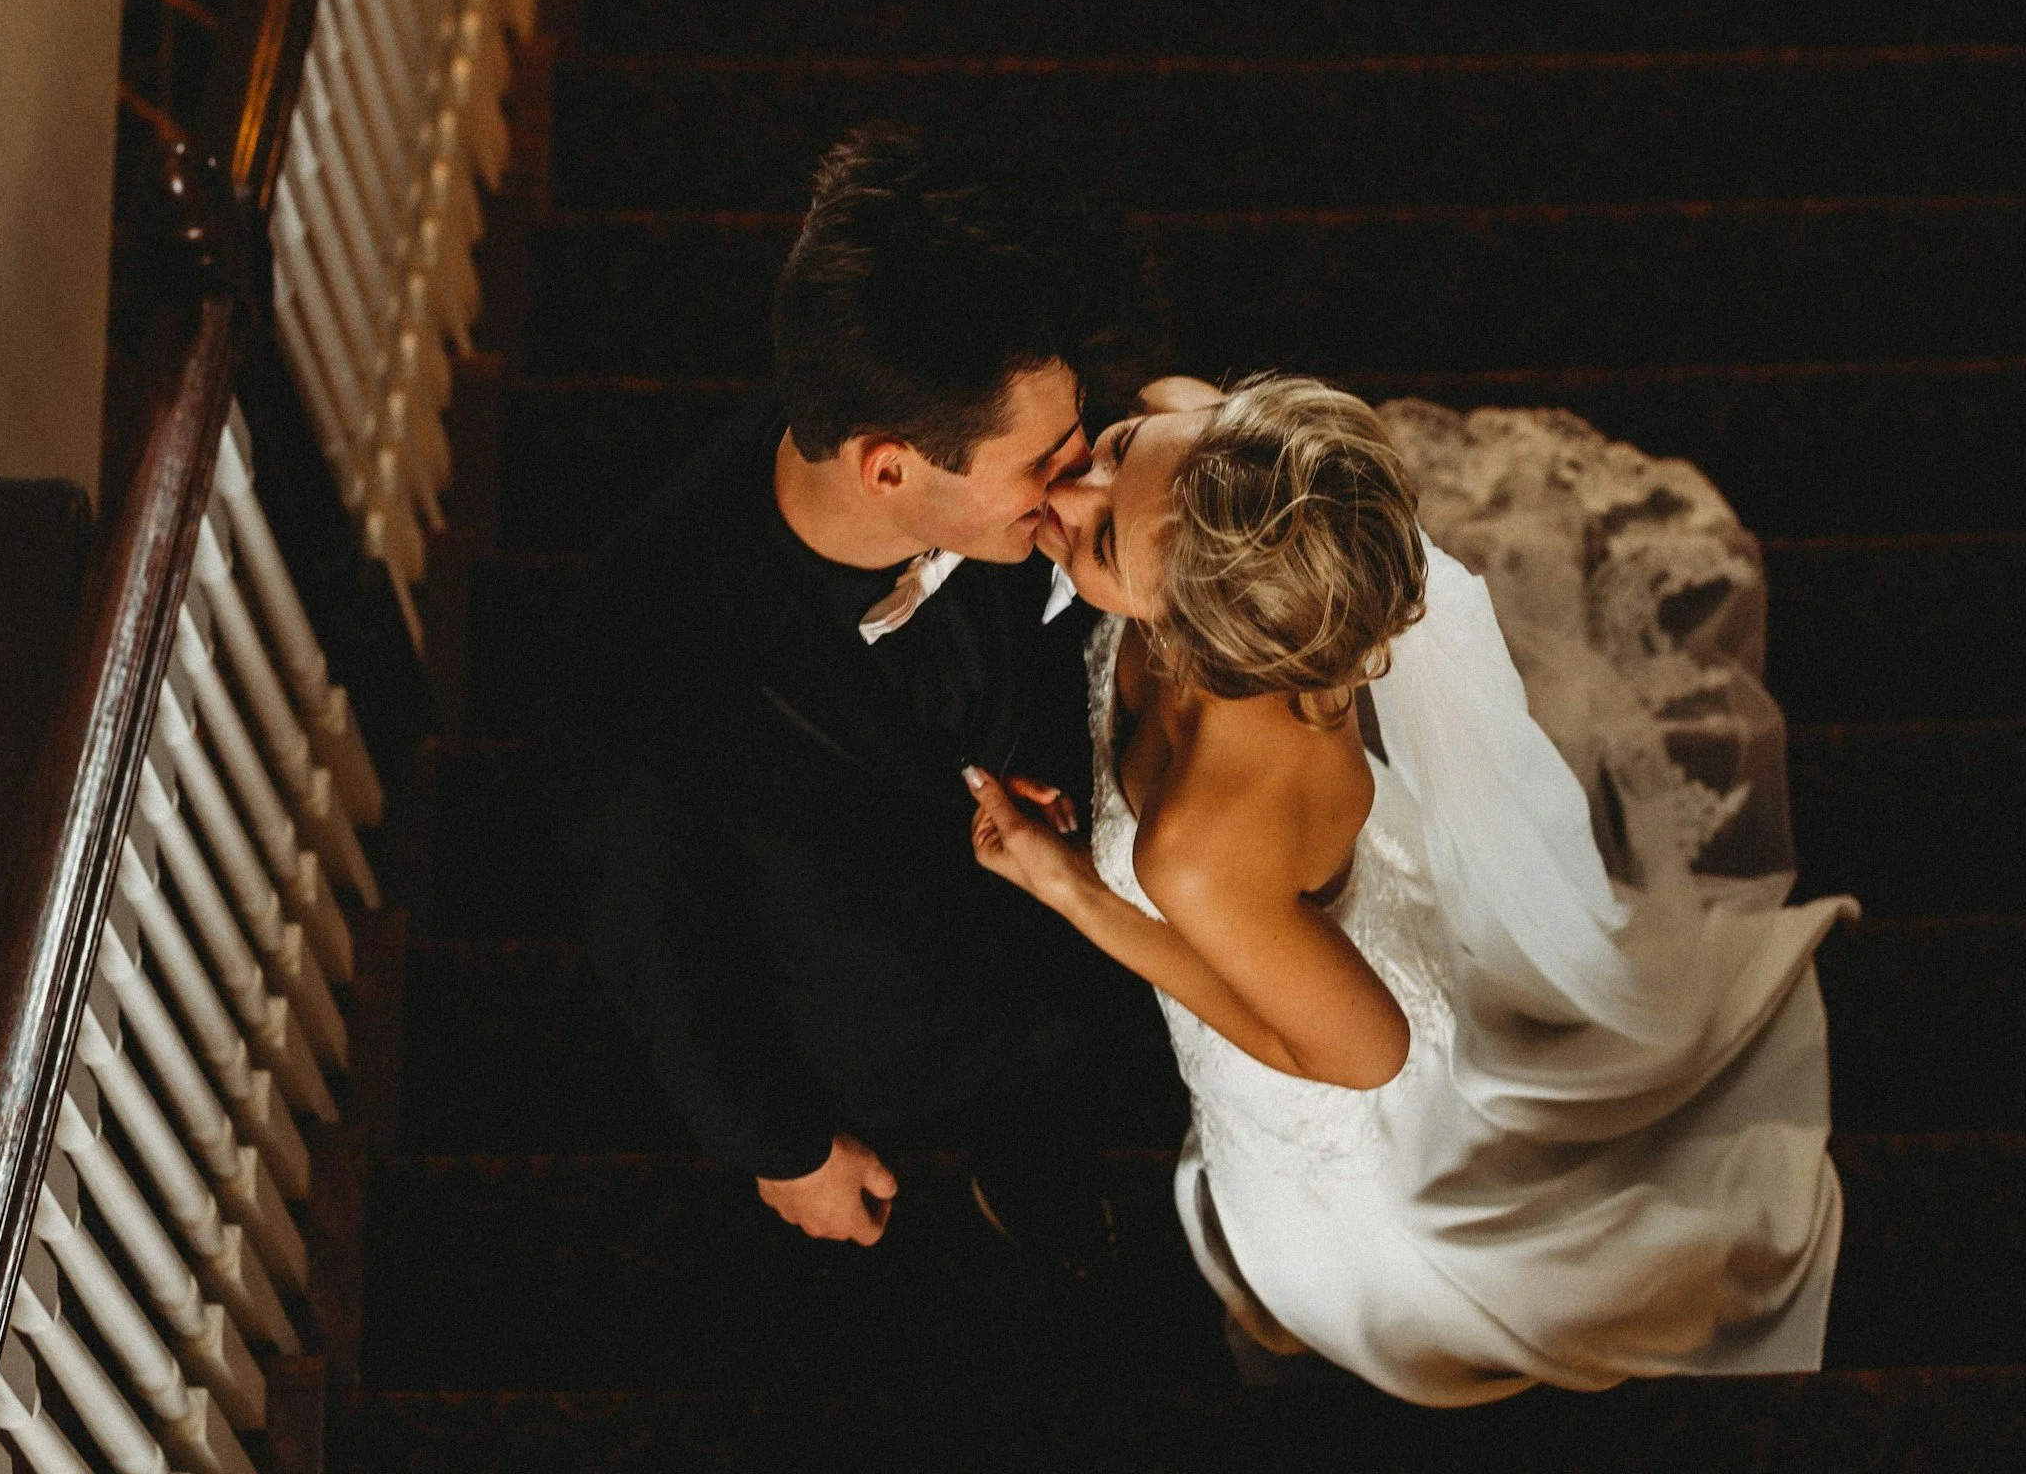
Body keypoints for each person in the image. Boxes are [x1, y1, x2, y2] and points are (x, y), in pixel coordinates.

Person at [965, 372, 1859, 1403]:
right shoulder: (1241, 505)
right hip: (1336, 902)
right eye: (1117, 446)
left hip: (1314, 1034)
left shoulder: (1196, 842)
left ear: (1203, 629)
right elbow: (1183, 408)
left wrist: (1075, 890)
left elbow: (1359, 1053)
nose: (1072, 489)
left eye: (1106, 541)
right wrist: (1141, 452)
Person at [545, 123, 1163, 1273]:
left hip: (1079, 953)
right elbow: (656, 938)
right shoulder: (642, 641)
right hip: (891, 1035)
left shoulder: (1005, 422)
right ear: (890, 469)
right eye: (1042, 463)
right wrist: (779, 1145)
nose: (1081, 478)